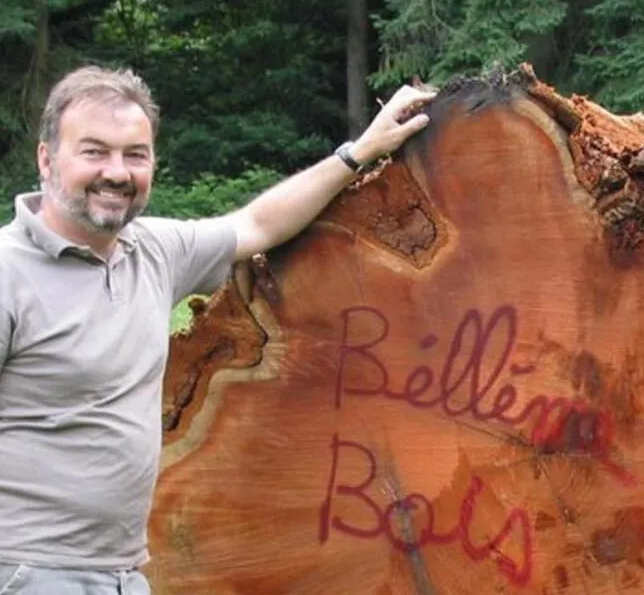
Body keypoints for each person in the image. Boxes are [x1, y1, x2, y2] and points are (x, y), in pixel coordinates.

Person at [0, 65, 435, 593]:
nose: (116, 172)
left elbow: (257, 224)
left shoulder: (153, 252)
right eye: (94, 152)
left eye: (135, 155)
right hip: (26, 571)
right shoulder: (8, 272)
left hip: (121, 574)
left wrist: (358, 152)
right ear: (46, 159)